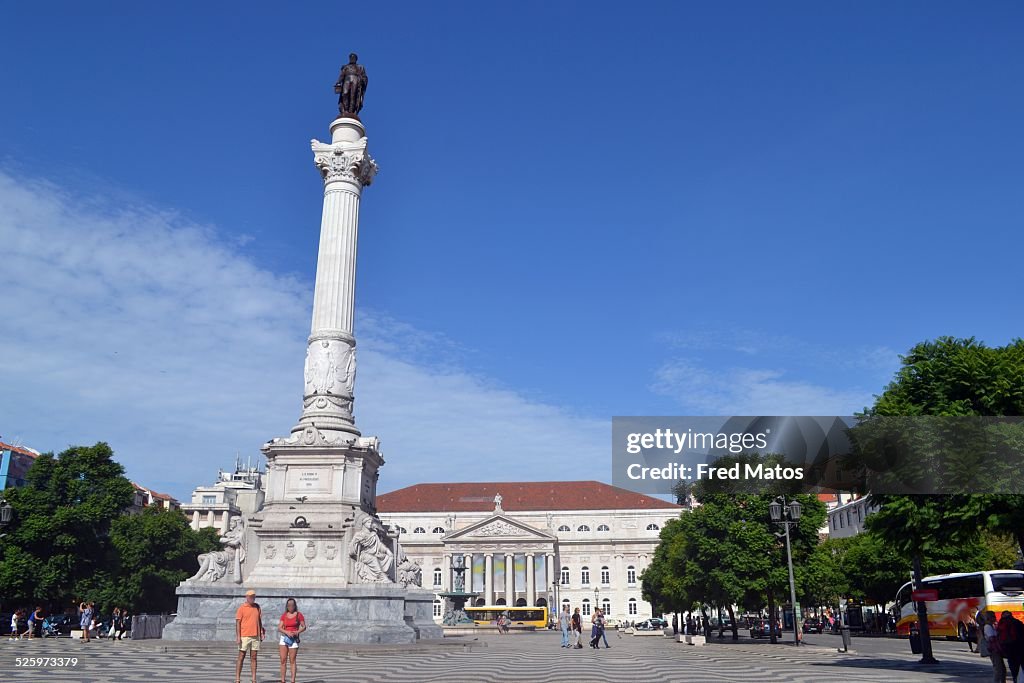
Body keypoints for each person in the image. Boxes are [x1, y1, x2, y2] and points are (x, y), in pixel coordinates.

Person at [236, 589, 266, 683]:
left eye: (253, 597)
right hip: (245, 635)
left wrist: (261, 632)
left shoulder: (257, 607)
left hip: (255, 635)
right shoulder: (242, 608)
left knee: (254, 657)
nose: (252, 598)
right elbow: (238, 623)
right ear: (247, 597)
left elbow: (259, 620)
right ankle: (237, 677)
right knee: (241, 656)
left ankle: (253, 678)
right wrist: (238, 636)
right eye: (250, 597)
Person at [278, 598, 306, 683]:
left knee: (292, 660)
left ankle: (293, 680)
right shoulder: (284, 615)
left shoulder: (299, 615)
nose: (290, 607)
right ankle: (283, 680)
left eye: (292, 605)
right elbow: (279, 627)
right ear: (287, 606)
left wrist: (297, 632)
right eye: (289, 605)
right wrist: (286, 632)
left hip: (293, 639)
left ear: (295, 606)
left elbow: (304, 626)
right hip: (284, 638)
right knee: (283, 660)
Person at [999, 610, 1024, 683]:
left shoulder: (1001, 623)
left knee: (1013, 668)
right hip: (1020, 648)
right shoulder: (1017, 623)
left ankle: (1015, 680)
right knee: (1022, 666)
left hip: (1008, 649)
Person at [985, 611, 1007, 683]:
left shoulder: (992, 625)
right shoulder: (987, 626)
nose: (995, 618)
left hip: (997, 649)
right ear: (989, 618)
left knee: (1002, 669)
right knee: (998, 668)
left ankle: (1002, 681)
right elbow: (991, 638)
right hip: (994, 650)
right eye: (993, 616)